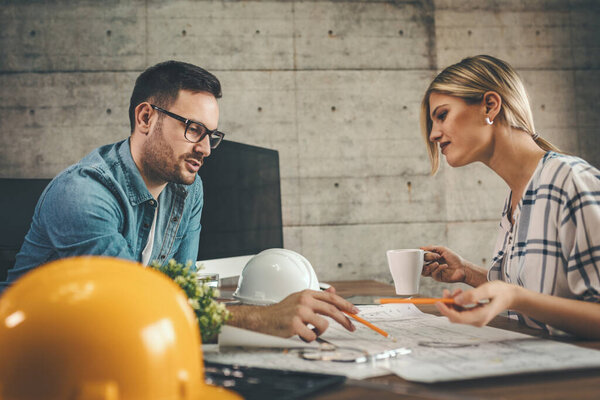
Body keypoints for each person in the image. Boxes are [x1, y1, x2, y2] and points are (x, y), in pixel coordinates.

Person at [2, 60, 357, 341]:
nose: (204, 148)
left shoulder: (188, 190)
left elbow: (181, 296)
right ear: (145, 117)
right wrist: (263, 318)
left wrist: (280, 303)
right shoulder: (82, 193)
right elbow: (129, 306)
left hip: (112, 343)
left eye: (211, 135)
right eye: (193, 129)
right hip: (31, 349)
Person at [419, 55, 600, 339]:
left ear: (490, 105)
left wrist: (514, 297)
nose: (433, 134)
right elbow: (530, 292)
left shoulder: (570, 181)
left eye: (442, 115)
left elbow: (520, 297)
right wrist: (466, 272)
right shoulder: (517, 196)